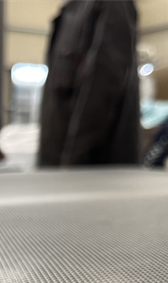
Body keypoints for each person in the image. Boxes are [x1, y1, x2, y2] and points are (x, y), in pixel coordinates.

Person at [39, 0, 140, 167]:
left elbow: (104, 85)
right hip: (61, 166)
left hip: (91, 171)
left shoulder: (109, 4)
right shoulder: (72, 9)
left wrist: (71, 163)